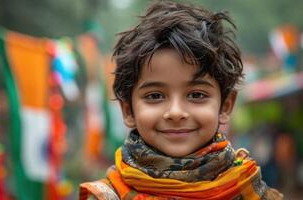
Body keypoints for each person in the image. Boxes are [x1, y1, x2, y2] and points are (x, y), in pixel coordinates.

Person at [80, 0, 283, 199]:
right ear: (128, 110)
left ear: (225, 105)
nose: (176, 112)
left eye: (196, 95)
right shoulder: (106, 195)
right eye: (155, 96)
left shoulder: (251, 191)